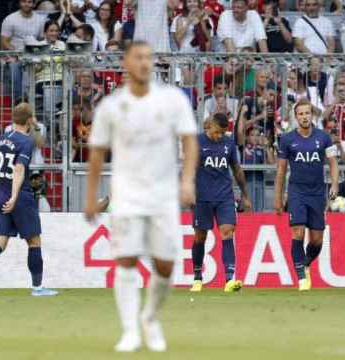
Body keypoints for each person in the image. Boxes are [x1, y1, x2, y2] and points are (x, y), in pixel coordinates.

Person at [84, 41, 198, 352]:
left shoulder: (172, 100)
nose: (145, 63)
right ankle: (130, 330)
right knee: (126, 260)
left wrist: (187, 181)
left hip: (163, 196)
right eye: (139, 57)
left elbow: (189, 142)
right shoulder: (111, 106)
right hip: (127, 195)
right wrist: (91, 195)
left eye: (149, 58)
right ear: (126, 62)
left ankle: (150, 317)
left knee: (165, 266)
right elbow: (96, 153)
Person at [0, 103, 58, 297]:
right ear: (29, 120)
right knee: (34, 242)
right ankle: (37, 288)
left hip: (0, 194)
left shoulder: (2, 139)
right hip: (19, 196)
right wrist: (15, 195)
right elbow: (19, 169)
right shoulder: (25, 141)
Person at [274, 98, 339, 291]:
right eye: (301, 114)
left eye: (307, 113)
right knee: (298, 232)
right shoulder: (287, 140)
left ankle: (306, 263)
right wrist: (278, 198)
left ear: (312, 115)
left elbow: (333, 162)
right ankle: (302, 278)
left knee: (317, 240)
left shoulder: (324, 137)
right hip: (296, 192)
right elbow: (280, 171)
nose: (304, 117)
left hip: (317, 193)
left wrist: (334, 183)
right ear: (296, 117)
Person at [190, 113, 252, 293]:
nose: (219, 136)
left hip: (224, 196)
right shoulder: (197, 142)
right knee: (200, 237)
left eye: (222, 133)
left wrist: (245, 195)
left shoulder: (228, 143)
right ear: (209, 126)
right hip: (202, 197)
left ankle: (229, 280)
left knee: (227, 232)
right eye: (217, 132)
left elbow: (237, 170)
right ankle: (197, 278)